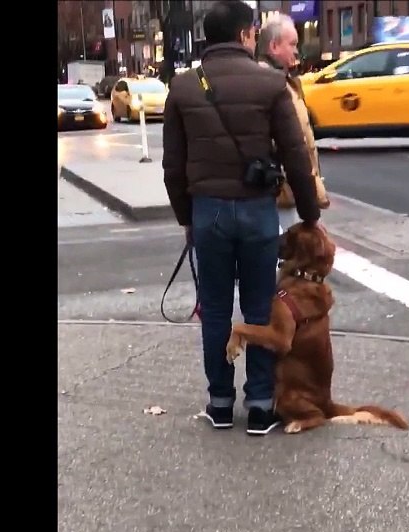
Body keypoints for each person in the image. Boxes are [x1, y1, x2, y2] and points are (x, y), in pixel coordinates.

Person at [162, 0, 323, 436]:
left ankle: (218, 403)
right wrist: (308, 215)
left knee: (214, 310)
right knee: (258, 305)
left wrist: (186, 217)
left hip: (208, 209)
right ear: (246, 35)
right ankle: (258, 406)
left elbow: (173, 166)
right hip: (256, 211)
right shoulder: (271, 84)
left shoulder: (182, 87)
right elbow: (295, 156)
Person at [256, 14, 330, 234]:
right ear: (274, 46)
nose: (297, 50)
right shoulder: (269, 84)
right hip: (283, 193)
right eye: (292, 44)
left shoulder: (286, 81)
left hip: (290, 191)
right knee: (291, 257)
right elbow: (292, 148)